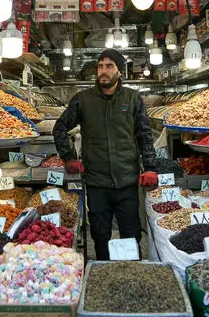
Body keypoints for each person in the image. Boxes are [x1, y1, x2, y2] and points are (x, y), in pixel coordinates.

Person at [53, 49, 158, 260]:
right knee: (100, 236)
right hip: (97, 182)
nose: (103, 71)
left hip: (127, 181)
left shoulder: (133, 98)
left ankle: (132, 273)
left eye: (109, 66)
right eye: (100, 66)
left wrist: (151, 168)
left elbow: (144, 135)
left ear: (119, 71)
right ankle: (100, 273)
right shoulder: (83, 100)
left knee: (131, 235)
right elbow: (60, 127)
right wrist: (69, 157)